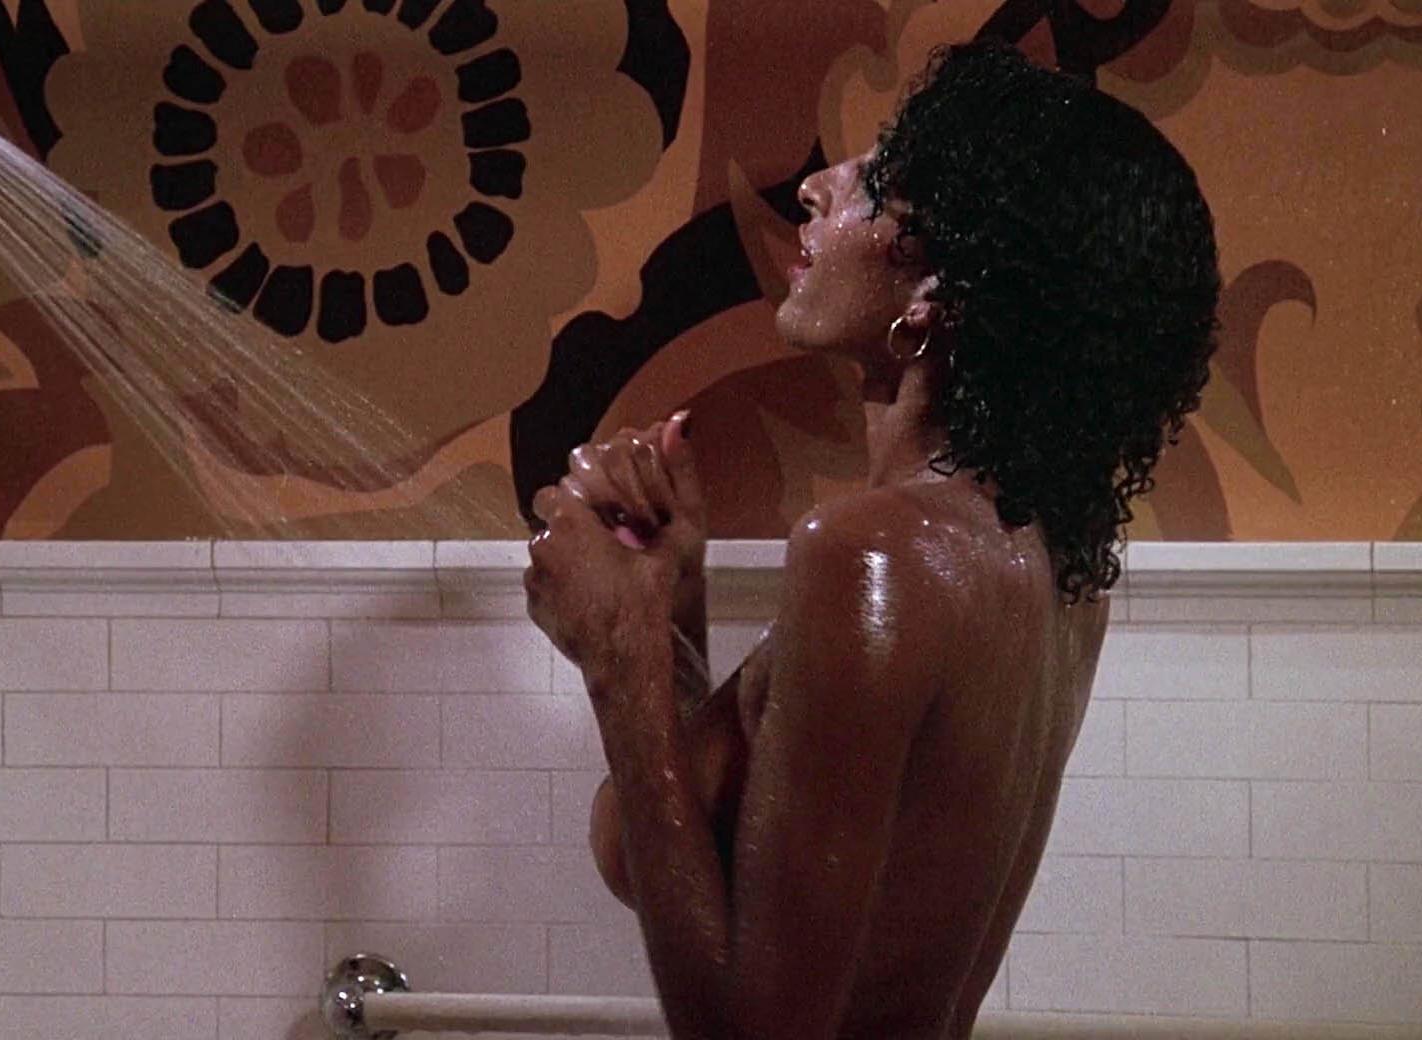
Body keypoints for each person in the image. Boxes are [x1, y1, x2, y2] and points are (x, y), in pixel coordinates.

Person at [522, 39, 1221, 1040]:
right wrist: (669, 608)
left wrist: (618, 651)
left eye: (879, 183)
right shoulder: (1050, 562)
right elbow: (710, 865)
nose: (818, 185)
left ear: (937, 297)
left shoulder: (875, 555)